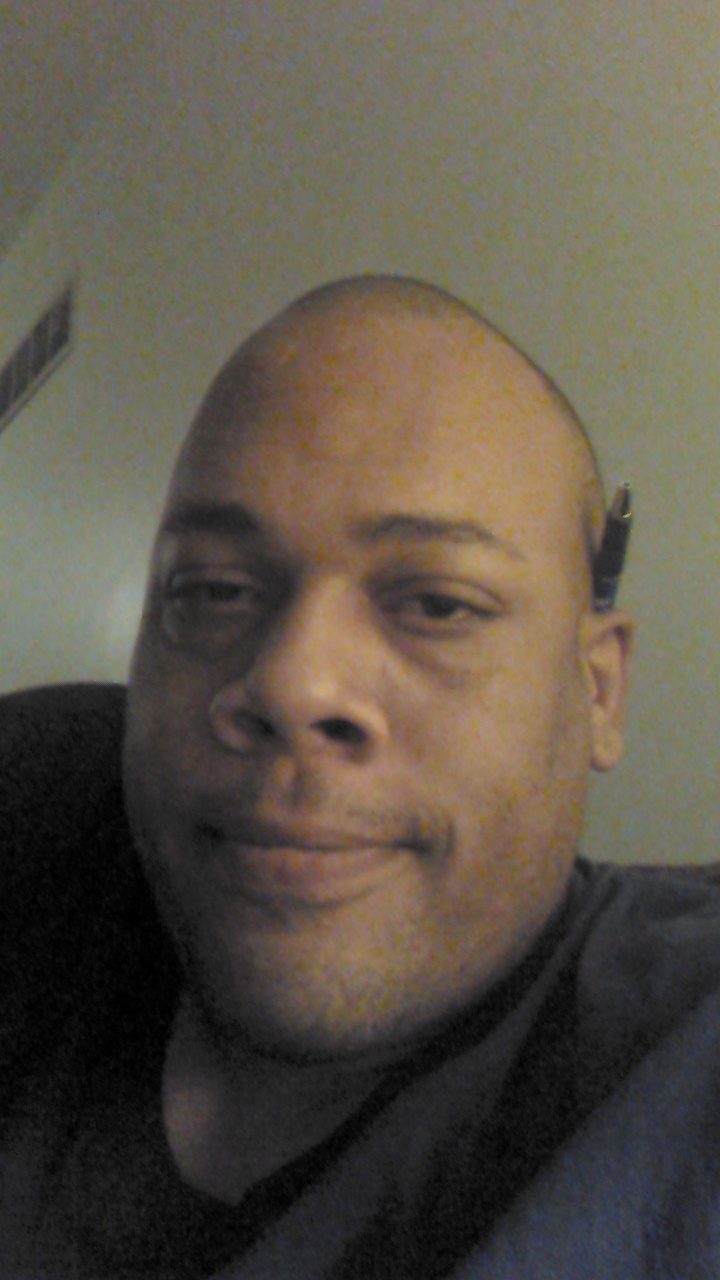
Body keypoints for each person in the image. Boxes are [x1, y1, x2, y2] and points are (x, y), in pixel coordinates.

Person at [1, 275, 719, 1280]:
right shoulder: (40, 794)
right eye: (213, 588)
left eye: (437, 604)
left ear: (598, 691)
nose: (291, 684)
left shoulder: (677, 1046)